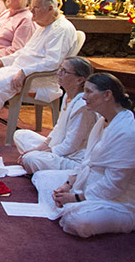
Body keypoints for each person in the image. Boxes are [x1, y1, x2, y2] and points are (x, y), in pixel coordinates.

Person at [32, 73, 135, 238]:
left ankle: (79, 207)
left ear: (107, 95)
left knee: (77, 220)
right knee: (41, 177)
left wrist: (77, 198)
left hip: (119, 201)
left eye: (88, 92)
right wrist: (68, 184)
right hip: (89, 183)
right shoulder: (103, 121)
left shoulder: (127, 131)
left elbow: (114, 184)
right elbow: (88, 161)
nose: (84, 97)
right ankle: (73, 203)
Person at [0, 0, 78, 120]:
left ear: (50, 8)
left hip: (37, 78)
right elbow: (24, 51)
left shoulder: (62, 29)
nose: (31, 12)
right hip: (18, 70)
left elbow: (53, 62)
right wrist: (1, 61)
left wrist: (25, 72)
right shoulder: (44, 26)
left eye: (35, 8)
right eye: (31, 8)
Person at [14, 56, 97, 173]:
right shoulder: (68, 96)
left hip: (74, 159)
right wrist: (41, 147)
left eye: (64, 71)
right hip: (58, 148)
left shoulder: (83, 106)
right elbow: (58, 128)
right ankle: (41, 165)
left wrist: (41, 153)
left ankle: (42, 167)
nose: (59, 73)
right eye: (60, 69)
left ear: (79, 80)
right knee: (20, 135)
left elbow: (71, 145)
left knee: (30, 158)